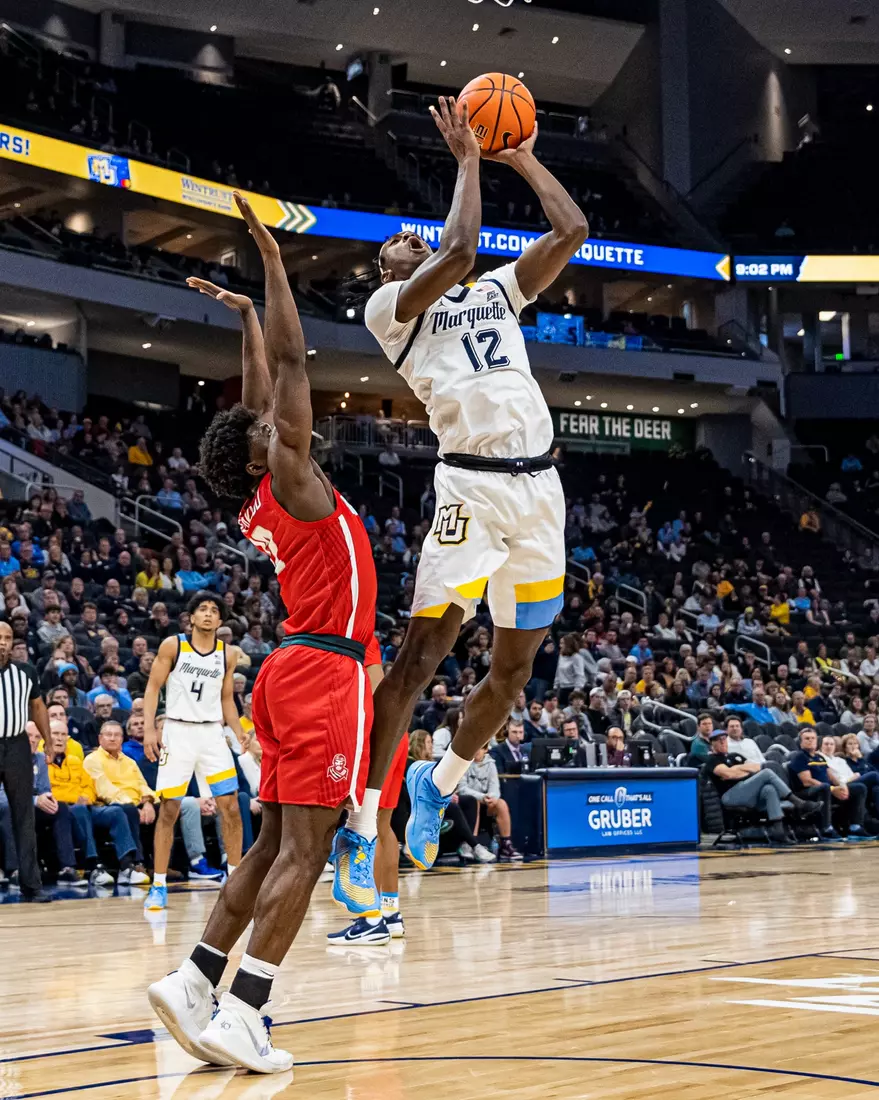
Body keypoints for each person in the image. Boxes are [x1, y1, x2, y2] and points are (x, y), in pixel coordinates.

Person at [148, 192, 378, 1073]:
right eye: (266, 425)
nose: (272, 415)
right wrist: (273, 262)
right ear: (262, 448)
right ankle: (247, 1012)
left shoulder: (257, 490)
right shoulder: (288, 468)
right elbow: (287, 363)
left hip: (285, 669)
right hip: (325, 672)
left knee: (281, 841)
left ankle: (197, 977)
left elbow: (256, 386)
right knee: (307, 851)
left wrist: (243, 311)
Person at [358, 95, 587, 887]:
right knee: (421, 656)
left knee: (514, 673)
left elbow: (571, 233)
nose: (408, 240)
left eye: (410, 235)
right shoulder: (391, 310)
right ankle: (365, 824)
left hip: (540, 490)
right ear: (384, 271)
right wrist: (463, 157)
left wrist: (517, 154)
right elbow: (454, 251)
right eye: (395, 244)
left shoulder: (493, 293)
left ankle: (439, 782)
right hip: (469, 490)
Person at [142, 592, 248, 912]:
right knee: (170, 809)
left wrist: (239, 732)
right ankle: (158, 884)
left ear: (220, 621)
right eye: (202, 609)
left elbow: (227, 699)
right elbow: (152, 688)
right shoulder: (174, 646)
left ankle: (235, 879)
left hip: (211, 733)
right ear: (190, 617)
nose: (207, 614)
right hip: (178, 731)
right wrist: (150, 729)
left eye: (214, 611)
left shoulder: (227, 655)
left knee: (230, 805)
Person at [0, 621, 52, 901]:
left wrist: (49, 742)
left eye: (7, 638)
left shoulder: (26, 672)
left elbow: (38, 707)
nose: (3, 642)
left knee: (24, 816)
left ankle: (31, 886)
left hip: (18, 745)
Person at [83, 722, 155, 880]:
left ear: (122, 739)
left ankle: (164, 865)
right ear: (100, 738)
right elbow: (105, 790)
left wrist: (148, 802)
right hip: (104, 807)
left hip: (134, 804)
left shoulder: (130, 762)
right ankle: (134, 864)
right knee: (125, 810)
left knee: (165, 810)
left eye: (117, 735)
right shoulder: (92, 760)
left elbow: (142, 784)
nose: (112, 738)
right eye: (108, 735)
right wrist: (133, 806)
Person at [702, 730, 796, 845]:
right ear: (712, 744)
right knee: (767, 773)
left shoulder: (734, 756)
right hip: (729, 796)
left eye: (724, 739)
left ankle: (779, 831)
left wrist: (738, 769)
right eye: (718, 740)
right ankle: (797, 801)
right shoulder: (712, 760)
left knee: (769, 789)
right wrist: (743, 770)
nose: (723, 742)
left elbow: (757, 767)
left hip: (745, 793)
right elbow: (728, 774)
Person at [457, 746, 522, 861]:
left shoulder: (491, 764)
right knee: (474, 802)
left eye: (480, 748)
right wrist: (482, 797)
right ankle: (472, 844)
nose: (477, 750)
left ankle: (505, 845)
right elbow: (462, 789)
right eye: (476, 747)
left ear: (485, 750)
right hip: (467, 803)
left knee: (501, 804)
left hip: (486, 802)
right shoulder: (464, 762)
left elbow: (495, 787)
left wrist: (492, 798)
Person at [787, 727, 841, 839]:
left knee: (858, 788)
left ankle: (854, 826)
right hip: (804, 792)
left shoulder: (820, 757)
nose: (810, 740)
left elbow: (831, 775)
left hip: (824, 788)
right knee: (825, 787)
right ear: (801, 742)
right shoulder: (799, 757)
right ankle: (826, 828)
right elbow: (807, 781)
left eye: (813, 738)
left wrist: (841, 786)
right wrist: (831, 789)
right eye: (807, 738)